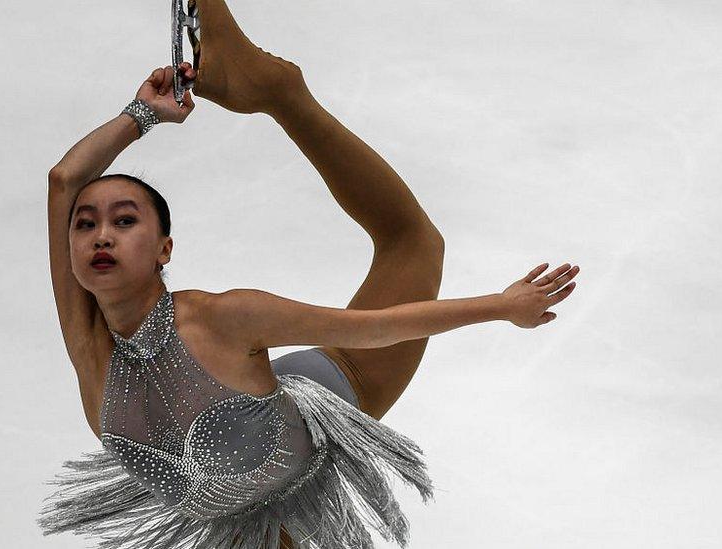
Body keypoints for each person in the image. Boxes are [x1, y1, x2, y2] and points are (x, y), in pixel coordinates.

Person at [38, 1, 579, 547]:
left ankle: (282, 93)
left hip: (327, 400)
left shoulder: (223, 318)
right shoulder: (92, 353)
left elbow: (378, 329)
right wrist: (143, 112)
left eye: (124, 220)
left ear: (164, 249)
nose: (101, 235)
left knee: (411, 242)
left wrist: (500, 306)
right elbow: (65, 182)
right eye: (85, 226)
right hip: (242, 504)